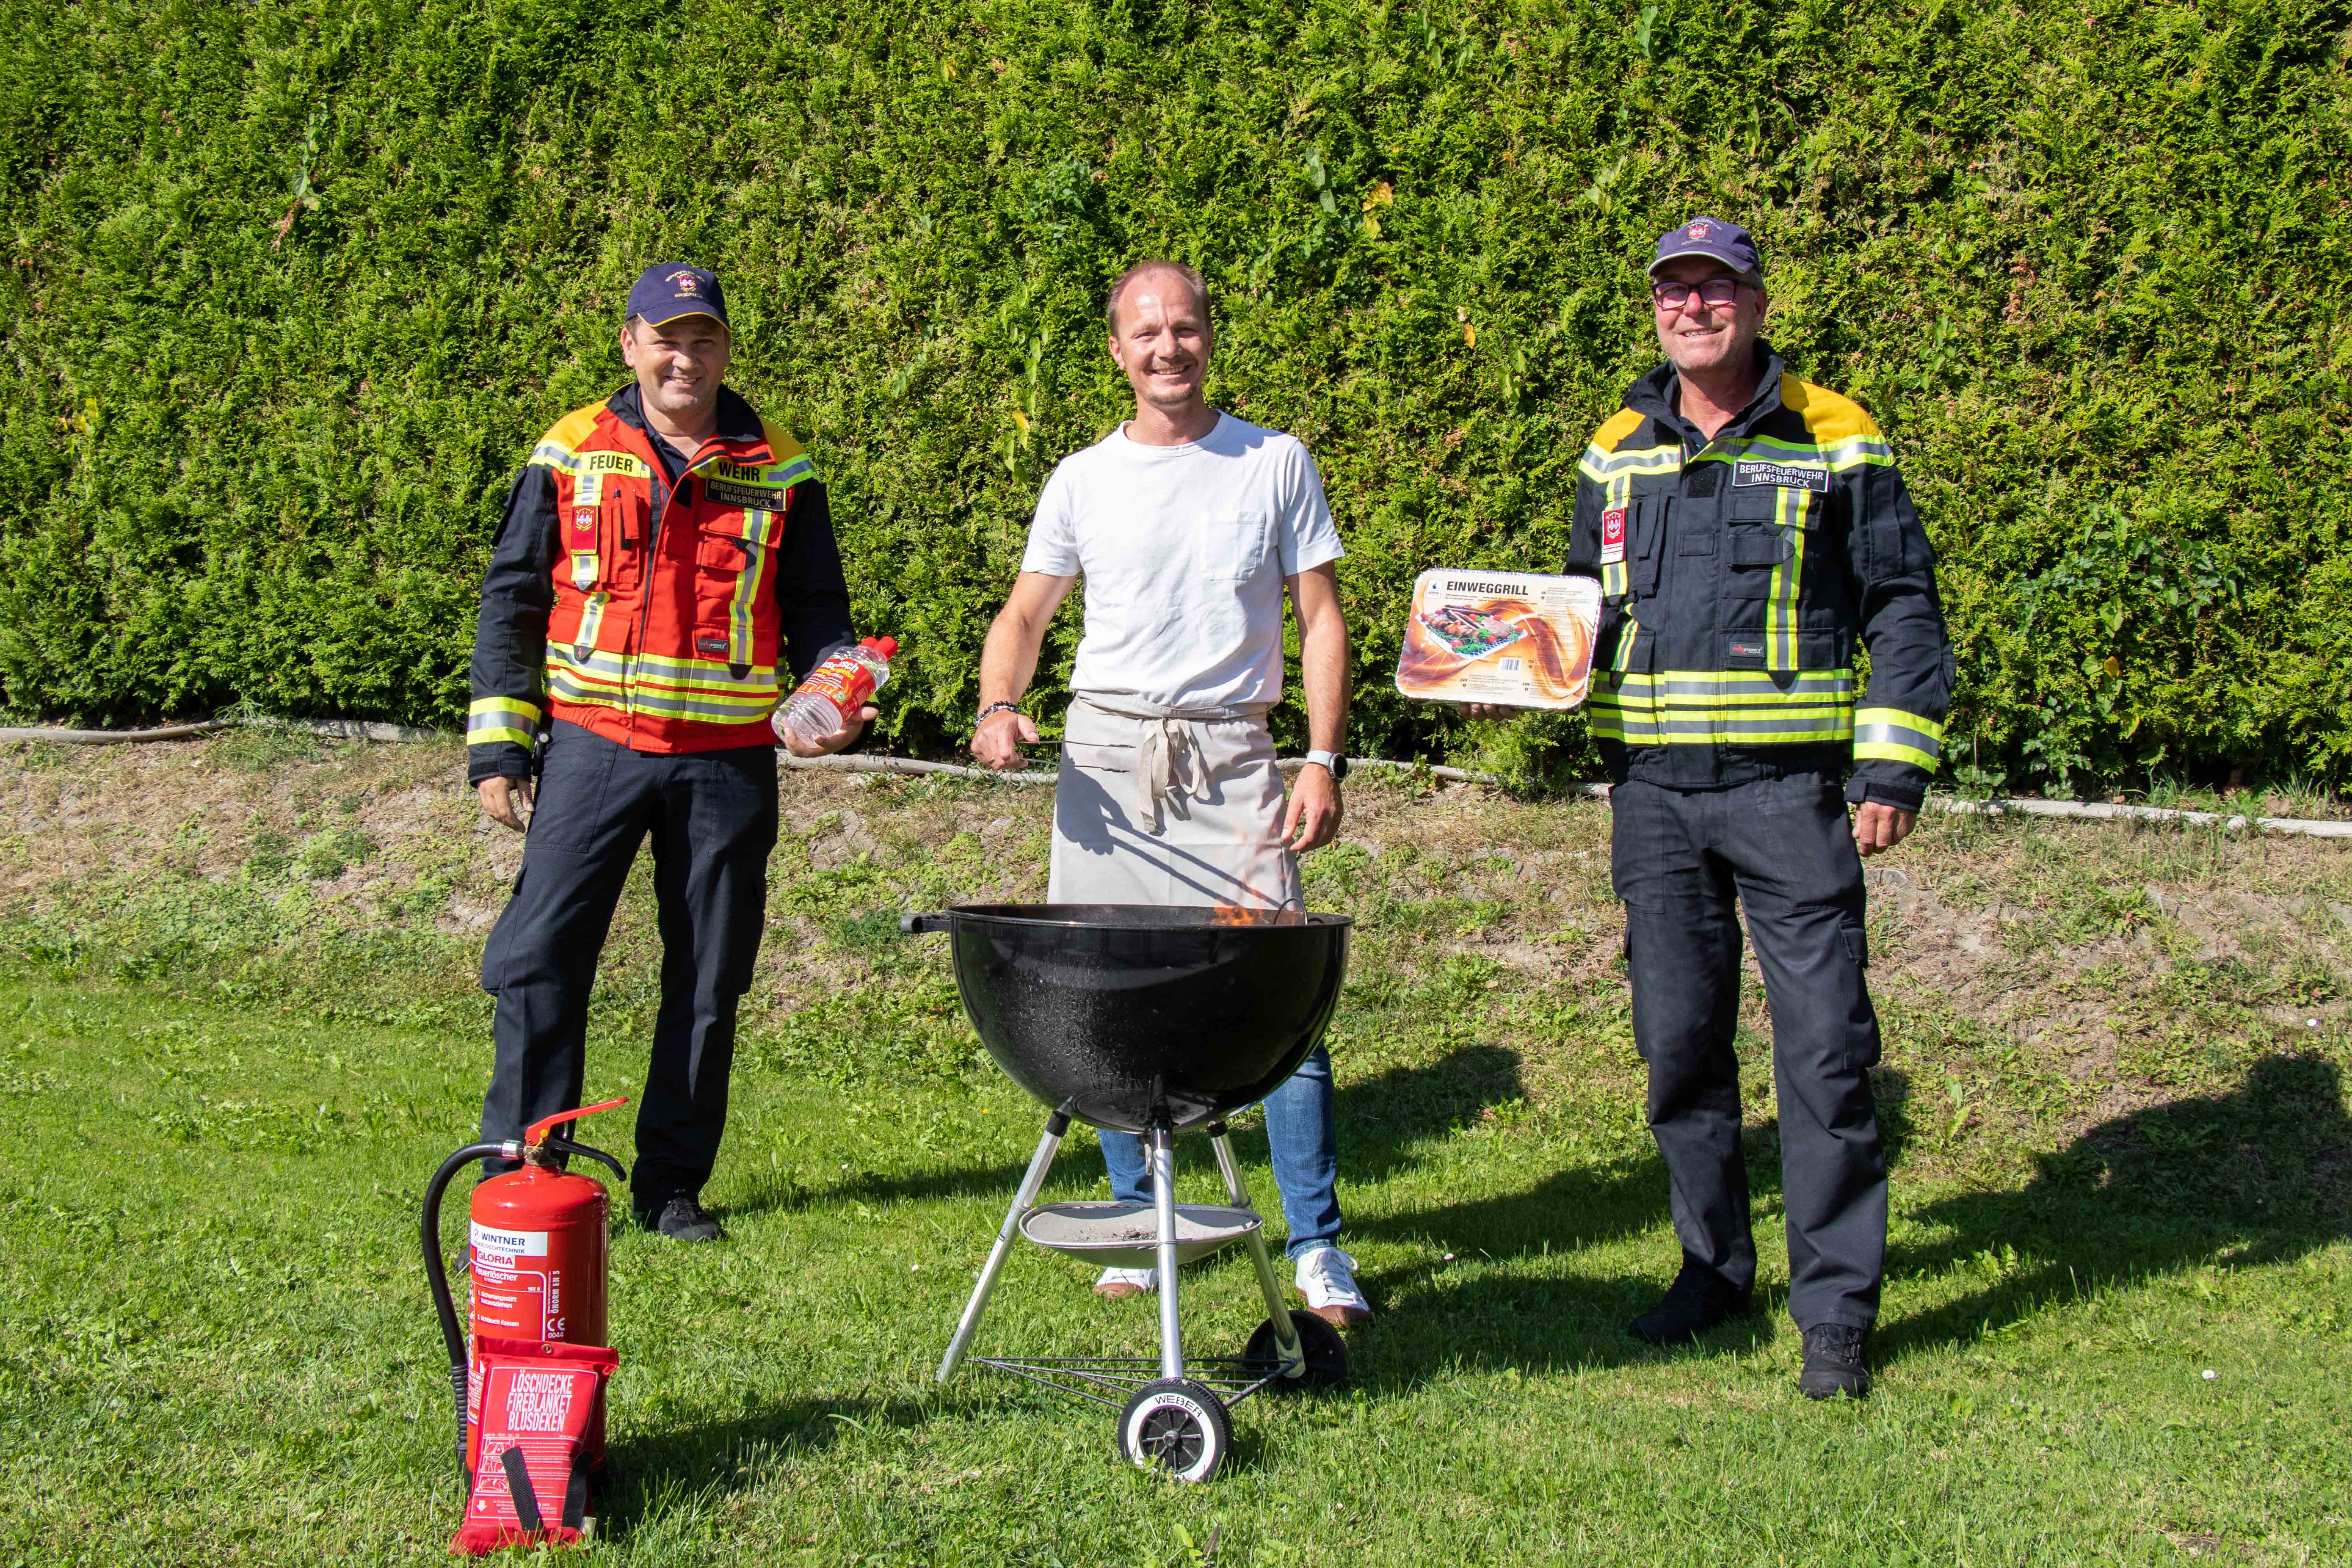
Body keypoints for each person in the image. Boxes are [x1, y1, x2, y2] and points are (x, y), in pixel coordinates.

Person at [1469, 218, 1953, 1396]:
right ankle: (1713, 1270)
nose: (1693, 309)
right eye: (1673, 292)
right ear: (1655, 310)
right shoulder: (1614, 446)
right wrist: (1504, 674)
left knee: (1827, 1057)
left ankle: (1834, 1312)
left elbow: (1901, 604)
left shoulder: (1838, 433)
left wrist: (1890, 770)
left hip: (1791, 795)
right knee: (1680, 1053)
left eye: (1715, 288)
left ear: (1756, 300)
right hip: (1655, 803)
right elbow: (1577, 607)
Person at [966, 260, 1370, 1326]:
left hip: (1234, 760)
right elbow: (1023, 618)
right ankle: (1142, 1220)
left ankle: (1318, 1248)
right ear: (1116, 350)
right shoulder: (1081, 479)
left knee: (1280, 1004)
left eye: (1184, 329)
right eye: (1146, 333)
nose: (1167, 350)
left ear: (1209, 336)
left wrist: (1321, 758)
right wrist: (999, 704)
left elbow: (1321, 617)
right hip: (1105, 760)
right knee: (1104, 988)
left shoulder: (1275, 463)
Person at [466, 262, 873, 1242]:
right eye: (666, 337)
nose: (683, 356)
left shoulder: (780, 461)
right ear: (631, 344)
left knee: (708, 977)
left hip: (727, 765)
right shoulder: (572, 448)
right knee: (541, 956)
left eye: (703, 339)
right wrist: (500, 749)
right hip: (593, 751)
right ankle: (525, 1164)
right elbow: (514, 596)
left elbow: (822, 612)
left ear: (725, 349)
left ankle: (672, 1186)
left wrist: (834, 694)